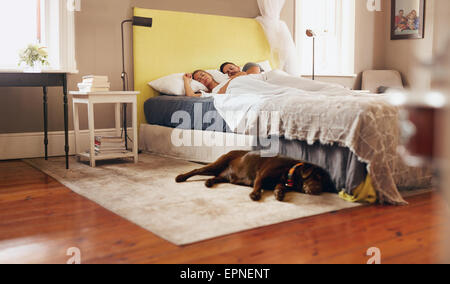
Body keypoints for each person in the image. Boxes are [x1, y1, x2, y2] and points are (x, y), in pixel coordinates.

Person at [183, 69, 247, 96]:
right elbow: (191, 95)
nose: (202, 78)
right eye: (199, 80)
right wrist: (186, 81)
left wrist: (223, 88)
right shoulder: (210, 93)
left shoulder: (226, 80)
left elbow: (243, 73)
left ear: (209, 74)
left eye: (203, 75)